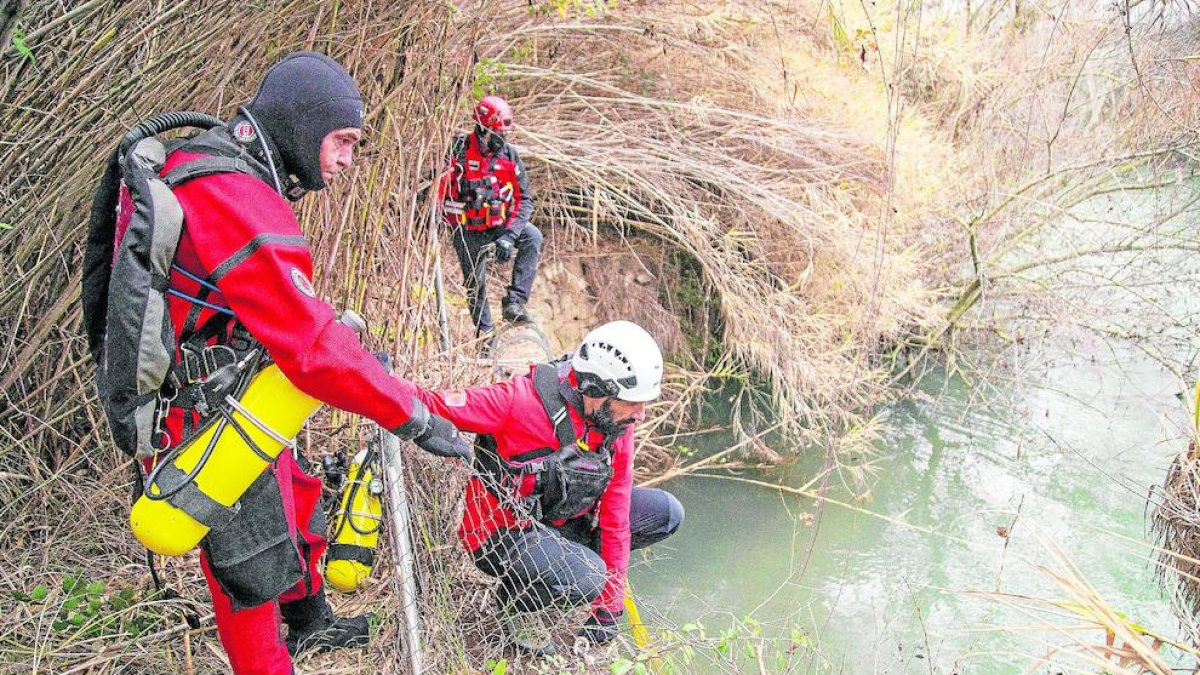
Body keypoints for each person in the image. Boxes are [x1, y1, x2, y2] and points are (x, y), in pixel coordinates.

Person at [87, 52, 471, 674]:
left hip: (237, 384)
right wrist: (414, 415)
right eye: (342, 141)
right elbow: (312, 344)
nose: (346, 160)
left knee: (295, 496)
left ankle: (311, 623)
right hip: (202, 410)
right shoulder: (231, 191)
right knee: (247, 565)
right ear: (301, 123)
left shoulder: (215, 163)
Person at [416, 320, 685, 655]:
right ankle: (518, 606)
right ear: (595, 389)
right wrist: (375, 380)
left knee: (667, 513)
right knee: (588, 577)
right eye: (633, 402)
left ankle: (567, 567)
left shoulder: (616, 424)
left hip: (562, 518)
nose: (642, 415)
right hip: (499, 533)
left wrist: (608, 607)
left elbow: (616, 514)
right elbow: (429, 402)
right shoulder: (519, 401)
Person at [438, 95, 542, 351]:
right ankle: (486, 338)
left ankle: (515, 303)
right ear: (482, 129)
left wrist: (509, 234)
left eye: (504, 134)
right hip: (467, 229)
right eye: (497, 134)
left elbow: (524, 199)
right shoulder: (457, 150)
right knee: (476, 283)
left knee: (532, 237)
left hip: (499, 224)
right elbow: (437, 188)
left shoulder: (509, 156)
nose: (501, 140)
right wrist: (439, 216)